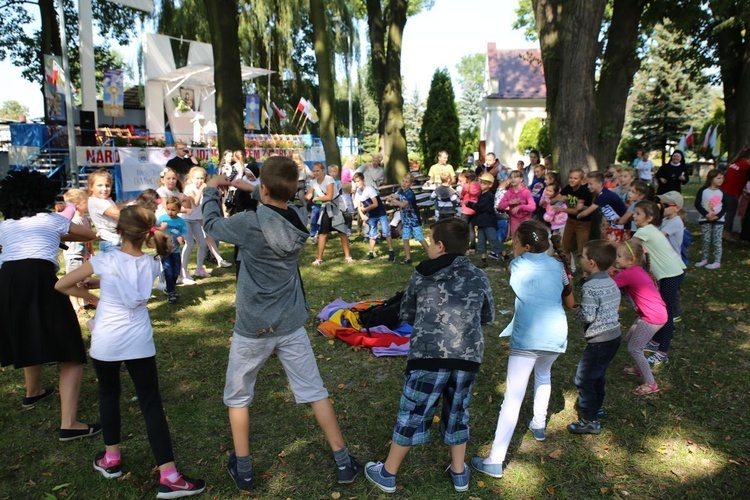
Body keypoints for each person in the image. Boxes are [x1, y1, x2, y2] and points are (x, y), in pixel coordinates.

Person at [201, 156, 361, 492]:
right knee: (314, 390)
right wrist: (249, 186)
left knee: (238, 396)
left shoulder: (248, 223)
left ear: (264, 188)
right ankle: (343, 460)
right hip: (290, 323)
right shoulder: (299, 215)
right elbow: (276, 200)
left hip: (253, 327)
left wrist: (210, 191)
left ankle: (243, 469)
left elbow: (212, 225)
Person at [54, 205, 206, 498]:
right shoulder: (152, 264)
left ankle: (111, 460)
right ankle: (169, 475)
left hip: (106, 341)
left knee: (109, 395)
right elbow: (127, 281)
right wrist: (99, 284)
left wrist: (91, 295)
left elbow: (61, 284)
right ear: (146, 233)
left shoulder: (104, 259)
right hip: (139, 341)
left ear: (118, 230)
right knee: (151, 403)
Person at [365, 218, 494, 493]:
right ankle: (459, 473)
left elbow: (407, 313)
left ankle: (388, 473)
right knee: (458, 411)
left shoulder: (422, 273)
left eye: (430, 242)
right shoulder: (479, 275)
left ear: (440, 245)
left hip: (427, 356)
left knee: (411, 411)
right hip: (467, 358)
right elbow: (488, 315)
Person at [0, 169, 100, 440]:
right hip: (38, 278)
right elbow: (88, 234)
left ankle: (32, 392)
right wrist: (59, 232)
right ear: (42, 194)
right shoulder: (51, 219)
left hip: (7, 281)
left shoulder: (5, 225)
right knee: (71, 350)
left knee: (25, 333)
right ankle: (70, 423)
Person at [472, 220, 573, 479]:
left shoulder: (516, 264)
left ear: (526, 246)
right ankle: (539, 424)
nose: (512, 245)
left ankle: (495, 460)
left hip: (529, 334)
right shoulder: (559, 265)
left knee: (513, 397)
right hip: (555, 332)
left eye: (515, 242)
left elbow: (520, 283)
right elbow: (566, 292)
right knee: (543, 375)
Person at [569, 240, 621, 434]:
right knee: (597, 375)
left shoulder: (590, 287)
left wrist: (577, 311)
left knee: (583, 379)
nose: (579, 258)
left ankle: (590, 420)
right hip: (614, 336)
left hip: (599, 340)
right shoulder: (609, 280)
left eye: (582, 256)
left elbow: (589, 316)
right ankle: (597, 407)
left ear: (591, 262)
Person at [631, 200, 686, 366]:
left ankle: (662, 352)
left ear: (649, 218)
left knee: (665, 313)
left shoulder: (645, 231)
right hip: (672, 273)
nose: (634, 215)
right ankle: (655, 341)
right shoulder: (648, 230)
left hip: (672, 274)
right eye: (635, 212)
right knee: (662, 308)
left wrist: (609, 245)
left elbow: (627, 248)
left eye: (638, 213)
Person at [612, 240, 667, 396]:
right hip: (654, 313)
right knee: (631, 338)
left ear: (631, 261)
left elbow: (609, 286)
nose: (616, 259)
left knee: (634, 348)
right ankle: (639, 367)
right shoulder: (636, 270)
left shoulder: (628, 273)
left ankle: (651, 383)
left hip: (652, 317)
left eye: (619, 256)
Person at [308, 162, 354, 266]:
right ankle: (319, 259)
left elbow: (329, 196)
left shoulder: (329, 179)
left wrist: (317, 198)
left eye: (317, 171)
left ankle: (348, 256)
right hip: (326, 208)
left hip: (336, 207)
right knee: (322, 233)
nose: (315, 173)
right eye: (314, 171)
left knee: (342, 232)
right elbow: (308, 195)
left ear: (323, 170)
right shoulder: (313, 182)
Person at [61, 188, 93, 315]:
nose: (88, 203)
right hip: (74, 255)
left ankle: (86, 301)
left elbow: (89, 238)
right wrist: (94, 236)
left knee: (86, 279)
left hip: (84, 255)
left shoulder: (85, 218)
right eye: (86, 201)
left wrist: (91, 251)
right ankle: (75, 305)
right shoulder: (74, 221)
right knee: (73, 281)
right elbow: (79, 240)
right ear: (77, 205)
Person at [385, 173, 428, 265]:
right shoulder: (401, 191)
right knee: (405, 238)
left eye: (407, 182)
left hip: (414, 220)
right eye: (403, 181)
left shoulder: (410, 194)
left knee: (419, 238)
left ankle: (431, 255)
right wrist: (390, 197)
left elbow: (403, 204)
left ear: (411, 184)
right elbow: (395, 195)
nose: (404, 183)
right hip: (406, 220)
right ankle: (408, 258)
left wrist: (392, 200)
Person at [554, 168, 593, 269]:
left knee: (582, 250)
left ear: (581, 180)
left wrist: (561, 209)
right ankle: (568, 269)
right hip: (570, 221)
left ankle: (586, 273)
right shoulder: (568, 188)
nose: (572, 180)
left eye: (575, 178)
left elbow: (576, 210)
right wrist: (557, 198)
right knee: (564, 247)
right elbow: (552, 201)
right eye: (570, 177)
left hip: (583, 223)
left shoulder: (584, 191)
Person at [353, 171, 395, 262]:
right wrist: (362, 215)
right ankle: (371, 253)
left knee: (386, 232)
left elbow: (375, 204)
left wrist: (365, 209)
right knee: (372, 234)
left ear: (363, 180)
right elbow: (359, 206)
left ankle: (391, 252)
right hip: (372, 215)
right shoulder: (358, 193)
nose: (357, 184)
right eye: (355, 182)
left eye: (358, 181)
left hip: (380, 213)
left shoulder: (369, 189)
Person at [576, 172, 628, 242]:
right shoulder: (600, 194)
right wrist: (583, 207)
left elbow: (586, 213)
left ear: (600, 183)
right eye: (588, 184)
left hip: (621, 226)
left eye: (591, 184)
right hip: (614, 225)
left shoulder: (604, 195)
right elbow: (594, 208)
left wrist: (578, 216)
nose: (588, 186)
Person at [466, 173, 504, 266]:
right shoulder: (481, 195)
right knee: (481, 241)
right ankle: (483, 260)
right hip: (481, 222)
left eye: (484, 183)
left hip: (488, 222)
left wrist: (470, 204)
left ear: (490, 185)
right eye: (481, 183)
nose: (482, 185)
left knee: (493, 239)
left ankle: (504, 256)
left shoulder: (489, 196)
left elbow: (480, 207)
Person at [156, 197, 188, 303]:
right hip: (165, 250)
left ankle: (169, 287)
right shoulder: (162, 219)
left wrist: (181, 238)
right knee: (168, 271)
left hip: (176, 251)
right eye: (168, 209)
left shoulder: (181, 222)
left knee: (176, 271)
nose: (170, 212)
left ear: (179, 210)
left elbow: (184, 233)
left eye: (173, 210)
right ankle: (171, 292)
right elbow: (154, 230)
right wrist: (161, 229)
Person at [182, 167, 211, 278]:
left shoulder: (204, 187)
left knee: (203, 244)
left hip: (197, 220)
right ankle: (183, 270)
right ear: (192, 178)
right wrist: (201, 189)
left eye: (202, 178)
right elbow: (195, 202)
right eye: (197, 178)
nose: (200, 181)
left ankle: (199, 268)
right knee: (189, 244)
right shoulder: (189, 188)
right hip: (186, 219)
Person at [694, 169, 726, 269]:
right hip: (705, 219)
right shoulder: (703, 190)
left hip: (718, 221)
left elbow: (725, 206)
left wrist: (718, 216)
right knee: (706, 239)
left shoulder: (722, 191)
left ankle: (717, 261)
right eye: (718, 178)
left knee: (717, 240)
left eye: (722, 178)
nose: (721, 180)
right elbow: (697, 204)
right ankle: (704, 259)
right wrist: (706, 214)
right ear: (711, 179)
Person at [88, 168, 121, 253]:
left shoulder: (105, 200)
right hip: (111, 243)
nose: (104, 188)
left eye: (107, 185)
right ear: (91, 187)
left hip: (116, 241)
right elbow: (119, 215)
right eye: (100, 185)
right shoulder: (97, 202)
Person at [721, 147, 750, 240]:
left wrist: (743, 192)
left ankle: (723, 233)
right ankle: (727, 234)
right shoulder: (746, 165)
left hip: (724, 190)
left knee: (725, 213)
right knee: (730, 214)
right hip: (731, 193)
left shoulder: (735, 164)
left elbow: (735, 181)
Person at [497, 170, 536, 238]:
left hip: (526, 219)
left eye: (515, 177)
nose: (513, 179)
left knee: (526, 239)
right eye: (511, 177)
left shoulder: (526, 192)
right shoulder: (509, 192)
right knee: (516, 239)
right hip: (514, 219)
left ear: (521, 179)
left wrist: (521, 206)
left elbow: (532, 207)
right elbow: (500, 206)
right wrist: (510, 202)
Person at [658, 191, 685, 257]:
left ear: (677, 208)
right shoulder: (665, 220)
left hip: (672, 260)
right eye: (661, 204)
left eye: (666, 205)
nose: (662, 207)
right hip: (665, 257)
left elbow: (658, 237)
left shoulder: (675, 222)